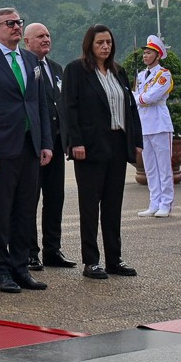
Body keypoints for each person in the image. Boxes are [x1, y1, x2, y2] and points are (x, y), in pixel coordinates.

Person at [0, 6, 53, 293]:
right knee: (0, 213)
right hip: (0, 149)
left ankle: (20, 268)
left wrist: (45, 143)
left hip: (29, 147)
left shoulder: (31, 60)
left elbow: (39, 103)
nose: (17, 27)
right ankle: (1, 271)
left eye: (19, 22)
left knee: (25, 212)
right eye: (10, 23)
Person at [61, 25, 140, 279]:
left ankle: (114, 259)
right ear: (89, 45)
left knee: (113, 204)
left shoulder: (119, 71)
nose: (105, 46)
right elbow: (69, 109)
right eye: (100, 43)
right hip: (90, 147)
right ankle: (91, 261)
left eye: (108, 42)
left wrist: (135, 142)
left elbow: (131, 108)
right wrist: (76, 142)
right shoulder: (77, 70)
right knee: (90, 205)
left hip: (117, 144)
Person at [24, 22, 73, 269]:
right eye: (40, 36)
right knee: (30, 200)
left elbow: (62, 106)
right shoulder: (25, 67)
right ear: (27, 42)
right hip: (33, 146)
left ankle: (53, 250)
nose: (46, 39)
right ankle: (31, 252)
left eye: (48, 35)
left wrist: (66, 139)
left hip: (55, 144)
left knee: (55, 199)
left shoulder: (56, 68)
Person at [135, 36, 175, 218]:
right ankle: (154, 202)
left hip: (159, 123)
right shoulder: (141, 75)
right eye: (144, 52)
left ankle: (166, 203)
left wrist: (137, 99)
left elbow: (149, 98)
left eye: (149, 52)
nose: (145, 55)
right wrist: (138, 99)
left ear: (157, 56)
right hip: (144, 124)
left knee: (164, 167)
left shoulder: (164, 74)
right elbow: (139, 97)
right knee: (150, 167)